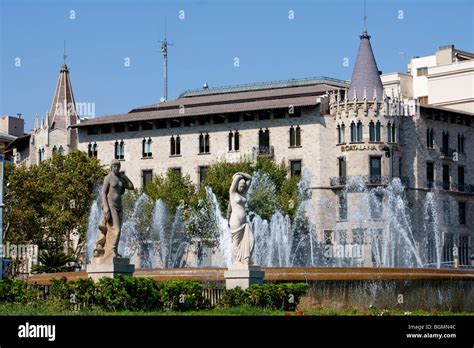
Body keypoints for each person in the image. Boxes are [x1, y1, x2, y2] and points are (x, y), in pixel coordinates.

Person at [93, 159, 134, 261]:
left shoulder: (120, 178)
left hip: (119, 206)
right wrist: (106, 207)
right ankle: (112, 251)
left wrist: (124, 176)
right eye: (114, 166)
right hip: (111, 206)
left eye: (118, 166)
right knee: (116, 229)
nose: (116, 168)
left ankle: (113, 251)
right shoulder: (108, 178)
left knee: (116, 230)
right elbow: (103, 192)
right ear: (111, 167)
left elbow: (131, 186)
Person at [228, 172, 254, 265]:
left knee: (251, 240)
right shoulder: (232, 193)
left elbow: (250, 178)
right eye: (240, 186)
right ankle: (236, 260)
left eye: (243, 186)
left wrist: (240, 173)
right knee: (236, 242)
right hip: (236, 220)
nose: (242, 188)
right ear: (236, 185)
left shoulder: (244, 193)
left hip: (244, 222)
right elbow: (236, 179)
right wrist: (237, 176)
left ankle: (246, 258)